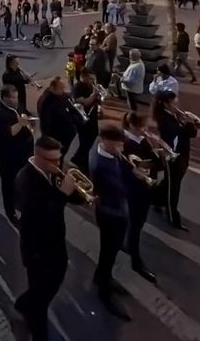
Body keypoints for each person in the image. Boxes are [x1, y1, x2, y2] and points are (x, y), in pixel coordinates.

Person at [14, 136, 85, 341]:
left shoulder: (51, 172)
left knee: (50, 286)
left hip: (55, 244)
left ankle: (25, 303)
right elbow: (43, 218)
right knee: (41, 301)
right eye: (53, 160)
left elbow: (67, 195)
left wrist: (81, 196)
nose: (58, 165)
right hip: (37, 251)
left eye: (59, 159)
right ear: (37, 156)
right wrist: (63, 194)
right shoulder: (25, 180)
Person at [88, 123, 132, 320]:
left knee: (111, 250)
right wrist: (136, 175)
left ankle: (102, 276)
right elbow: (121, 190)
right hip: (110, 213)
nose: (121, 147)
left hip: (118, 211)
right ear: (105, 141)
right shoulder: (100, 165)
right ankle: (104, 291)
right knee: (108, 250)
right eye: (117, 144)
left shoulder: (111, 154)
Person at [122, 112, 159, 282]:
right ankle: (135, 260)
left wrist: (158, 149)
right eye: (142, 127)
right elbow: (127, 169)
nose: (145, 130)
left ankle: (128, 243)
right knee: (135, 224)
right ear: (131, 126)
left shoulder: (141, 140)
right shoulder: (126, 144)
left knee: (139, 221)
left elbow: (153, 162)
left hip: (144, 188)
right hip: (135, 190)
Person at [153, 90, 197, 230]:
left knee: (169, 182)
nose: (176, 104)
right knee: (174, 186)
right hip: (172, 157)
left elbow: (191, 134)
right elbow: (176, 134)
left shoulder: (176, 115)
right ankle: (173, 217)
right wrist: (186, 122)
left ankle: (157, 200)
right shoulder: (163, 118)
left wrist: (191, 122)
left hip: (183, 154)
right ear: (165, 104)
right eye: (173, 102)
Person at [0, 85, 34, 224]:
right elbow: (8, 133)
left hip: (22, 151)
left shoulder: (16, 105)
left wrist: (29, 122)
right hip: (8, 156)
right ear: (5, 98)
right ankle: (11, 212)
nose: (16, 100)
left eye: (16, 97)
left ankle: (21, 201)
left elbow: (24, 114)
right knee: (8, 183)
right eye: (13, 98)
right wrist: (21, 123)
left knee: (22, 179)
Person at [38, 76, 77, 162]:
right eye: (61, 89)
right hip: (58, 140)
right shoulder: (46, 103)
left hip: (67, 136)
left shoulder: (59, 95)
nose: (63, 91)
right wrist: (52, 142)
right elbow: (45, 126)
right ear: (52, 88)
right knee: (57, 160)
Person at [69, 68, 100, 174]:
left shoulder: (91, 86)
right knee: (85, 141)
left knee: (93, 136)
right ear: (84, 77)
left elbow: (96, 101)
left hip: (93, 117)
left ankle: (78, 158)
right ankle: (83, 164)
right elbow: (84, 103)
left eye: (94, 79)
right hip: (82, 119)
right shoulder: (77, 88)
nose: (93, 81)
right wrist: (93, 95)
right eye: (91, 79)